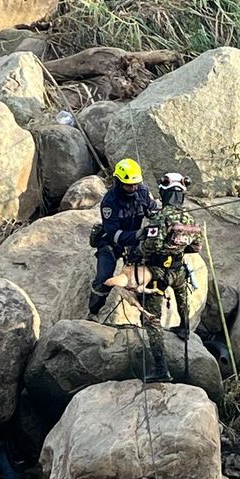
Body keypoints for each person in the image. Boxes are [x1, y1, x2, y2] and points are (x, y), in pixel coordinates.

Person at [137, 172, 203, 383]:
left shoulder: (159, 217)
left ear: (164, 193)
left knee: (151, 318)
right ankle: (184, 327)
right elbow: (196, 247)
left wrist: (138, 245)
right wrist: (177, 249)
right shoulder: (190, 218)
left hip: (156, 273)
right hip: (178, 271)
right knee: (182, 297)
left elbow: (150, 247)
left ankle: (161, 369)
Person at [87, 158, 160, 320]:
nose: (132, 188)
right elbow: (113, 233)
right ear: (118, 182)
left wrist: (156, 218)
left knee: (145, 277)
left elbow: (154, 212)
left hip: (135, 243)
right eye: (128, 185)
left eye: (135, 184)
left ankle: (147, 317)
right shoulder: (109, 202)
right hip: (111, 243)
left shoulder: (143, 192)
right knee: (103, 278)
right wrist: (138, 235)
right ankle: (93, 312)